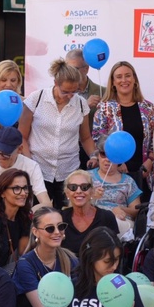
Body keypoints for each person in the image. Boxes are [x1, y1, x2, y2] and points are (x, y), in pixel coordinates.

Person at [20, 58, 96, 208]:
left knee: (67, 215)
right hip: (39, 168)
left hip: (68, 170)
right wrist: (30, 164)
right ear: (55, 83)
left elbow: (85, 138)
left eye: (74, 91)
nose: (69, 95)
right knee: (38, 213)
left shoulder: (81, 104)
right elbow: (22, 136)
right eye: (65, 91)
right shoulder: (36, 99)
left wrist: (94, 155)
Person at [93, 60, 154, 197]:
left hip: (144, 172)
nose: (124, 80)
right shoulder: (105, 108)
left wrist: (150, 161)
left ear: (134, 79)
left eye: (128, 75)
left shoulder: (148, 108)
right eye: (119, 77)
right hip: (116, 173)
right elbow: (99, 139)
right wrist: (117, 161)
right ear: (113, 82)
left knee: (141, 213)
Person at [66, 226, 146, 307]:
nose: (114, 266)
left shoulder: (127, 287)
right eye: (107, 261)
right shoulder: (72, 287)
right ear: (91, 257)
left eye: (117, 259)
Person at [12, 207, 78, 307]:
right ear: (36, 232)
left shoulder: (70, 259)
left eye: (61, 226)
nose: (57, 232)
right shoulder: (26, 264)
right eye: (50, 228)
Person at [0, 169, 33, 267]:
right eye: (16, 188)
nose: (23, 193)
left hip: (9, 275)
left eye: (25, 188)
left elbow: (24, 254)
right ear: (2, 193)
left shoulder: (23, 218)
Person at [90, 134, 142, 235]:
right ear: (98, 156)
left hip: (120, 221)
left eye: (111, 156)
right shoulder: (86, 177)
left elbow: (137, 211)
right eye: (103, 154)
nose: (107, 159)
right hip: (93, 219)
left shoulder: (128, 181)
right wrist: (92, 197)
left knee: (110, 224)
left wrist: (120, 209)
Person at [60, 170, 119, 255]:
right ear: (67, 194)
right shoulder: (60, 218)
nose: (79, 191)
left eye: (84, 187)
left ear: (92, 192)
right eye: (73, 187)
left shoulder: (107, 217)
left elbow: (114, 252)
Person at [65, 49, 103, 169]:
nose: (69, 73)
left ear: (86, 69)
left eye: (74, 69)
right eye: (67, 68)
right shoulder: (60, 93)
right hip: (67, 153)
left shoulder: (103, 92)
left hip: (94, 151)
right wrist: (85, 105)